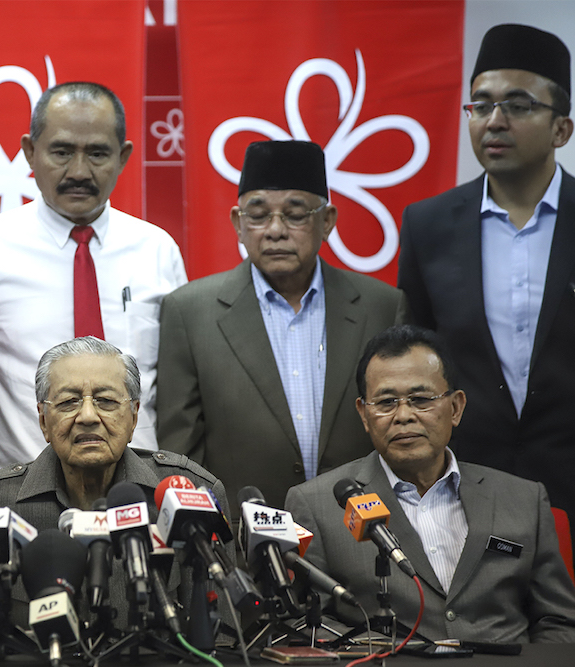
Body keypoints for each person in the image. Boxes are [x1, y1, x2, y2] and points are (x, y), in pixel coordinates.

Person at [0, 82, 186, 477]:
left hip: (139, 497)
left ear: (123, 156)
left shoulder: (158, 251)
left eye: (97, 153)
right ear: (29, 151)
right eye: (61, 152)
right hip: (20, 497)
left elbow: (177, 397)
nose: (78, 171)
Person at [158, 140, 407, 512]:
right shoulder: (190, 312)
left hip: (362, 542)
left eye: (295, 214)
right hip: (244, 546)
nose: (275, 230)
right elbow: (182, 456)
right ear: (238, 224)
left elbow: (400, 433)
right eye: (258, 215)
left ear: (327, 221)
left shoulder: (381, 306)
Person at [285, 325, 575, 643]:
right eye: (386, 403)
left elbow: (559, 621)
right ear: (364, 415)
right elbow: (307, 625)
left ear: (455, 407)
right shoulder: (317, 504)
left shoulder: (523, 498)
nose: (404, 415)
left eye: (421, 399)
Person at [398, 24, 575, 538]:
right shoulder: (428, 224)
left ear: (561, 129)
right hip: (468, 486)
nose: (494, 121)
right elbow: (421, 356)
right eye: (481, 105)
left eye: (518, 105)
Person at [0, 336, 231, 628]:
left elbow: (221, 642)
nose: (87, 416)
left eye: (106, 401)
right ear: (43, 420)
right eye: (68, 402)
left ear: (134, 416)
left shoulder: (191, 496)